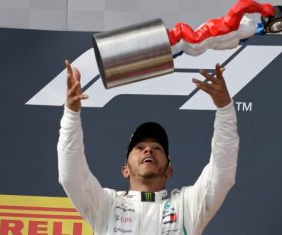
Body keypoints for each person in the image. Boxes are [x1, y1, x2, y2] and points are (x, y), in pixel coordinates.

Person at [58, 60, 239, 235]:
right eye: (139, 147)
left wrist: (224, 109)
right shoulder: (107, 206)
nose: (148, 150)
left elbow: (222, 174)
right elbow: (71, 177)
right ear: (125, 170)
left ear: (169, 170)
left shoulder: (187, 207)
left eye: (157, 148)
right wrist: (71, 113)